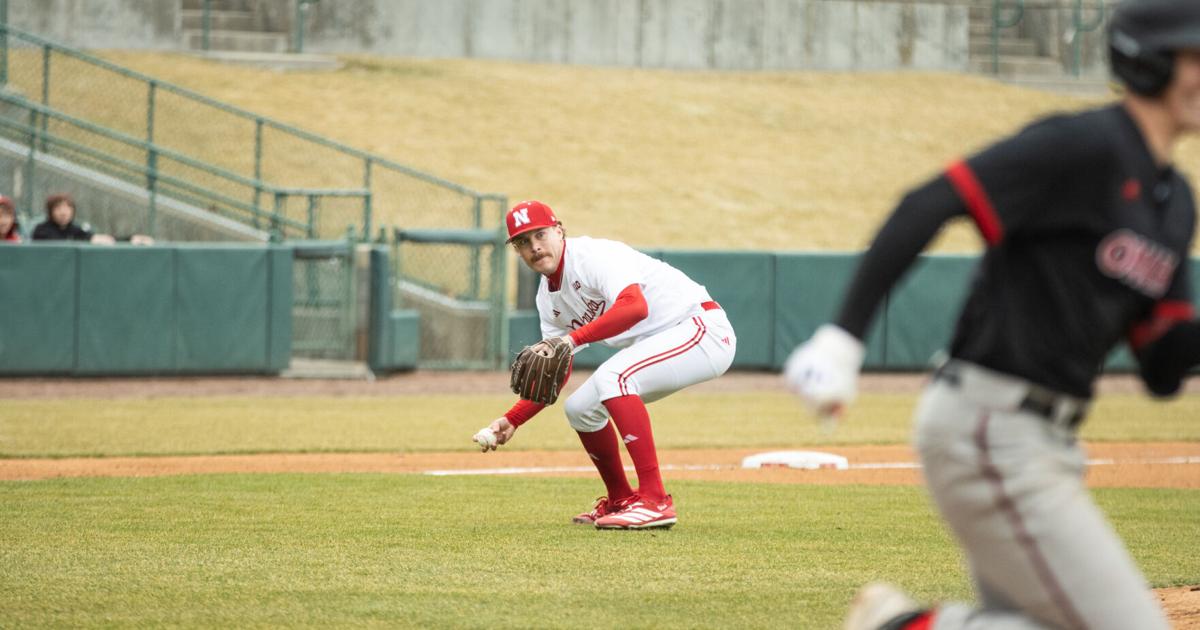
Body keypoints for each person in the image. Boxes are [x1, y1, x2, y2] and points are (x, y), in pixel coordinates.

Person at [785, 1, 1196, 628]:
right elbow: (929, 202)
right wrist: (843, 340)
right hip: (990, 426)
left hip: (1048, 441)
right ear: (1149, 61)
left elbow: (1163, 368)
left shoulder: (1174, 203)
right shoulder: (1081, 146)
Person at [473, 200, 737, 530]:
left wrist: (572, 339)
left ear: (559, 230)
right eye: (523, 242)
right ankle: (621, 500)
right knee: (580, 408)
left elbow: (634, 308)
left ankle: (655, 501)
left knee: (615, 376)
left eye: (540, 234)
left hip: (700, 327)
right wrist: (513, 419)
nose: (535, 247)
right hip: (662, 340)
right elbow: (556, 367)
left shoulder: (592, 257)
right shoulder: (547, 299)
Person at [32, 193, 116, 244]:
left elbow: (92, 238)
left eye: (67, 208)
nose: (63, 213)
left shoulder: (75, 229)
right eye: (58, 208)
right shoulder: (41, 230)